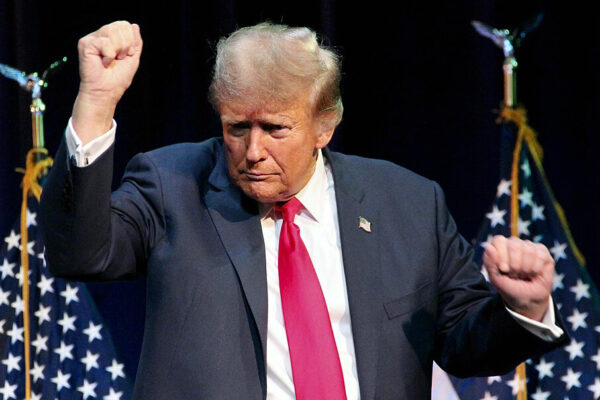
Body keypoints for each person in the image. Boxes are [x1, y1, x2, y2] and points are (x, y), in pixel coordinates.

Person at [40, 21, 567, 400]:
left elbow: (465, 343)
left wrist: (524, 308)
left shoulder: (406, 203)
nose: (252, 151)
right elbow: (79, 253)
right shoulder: (171, 186)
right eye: (236, 128)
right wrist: (95, 105)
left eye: (275, 128)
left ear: (325, 125)